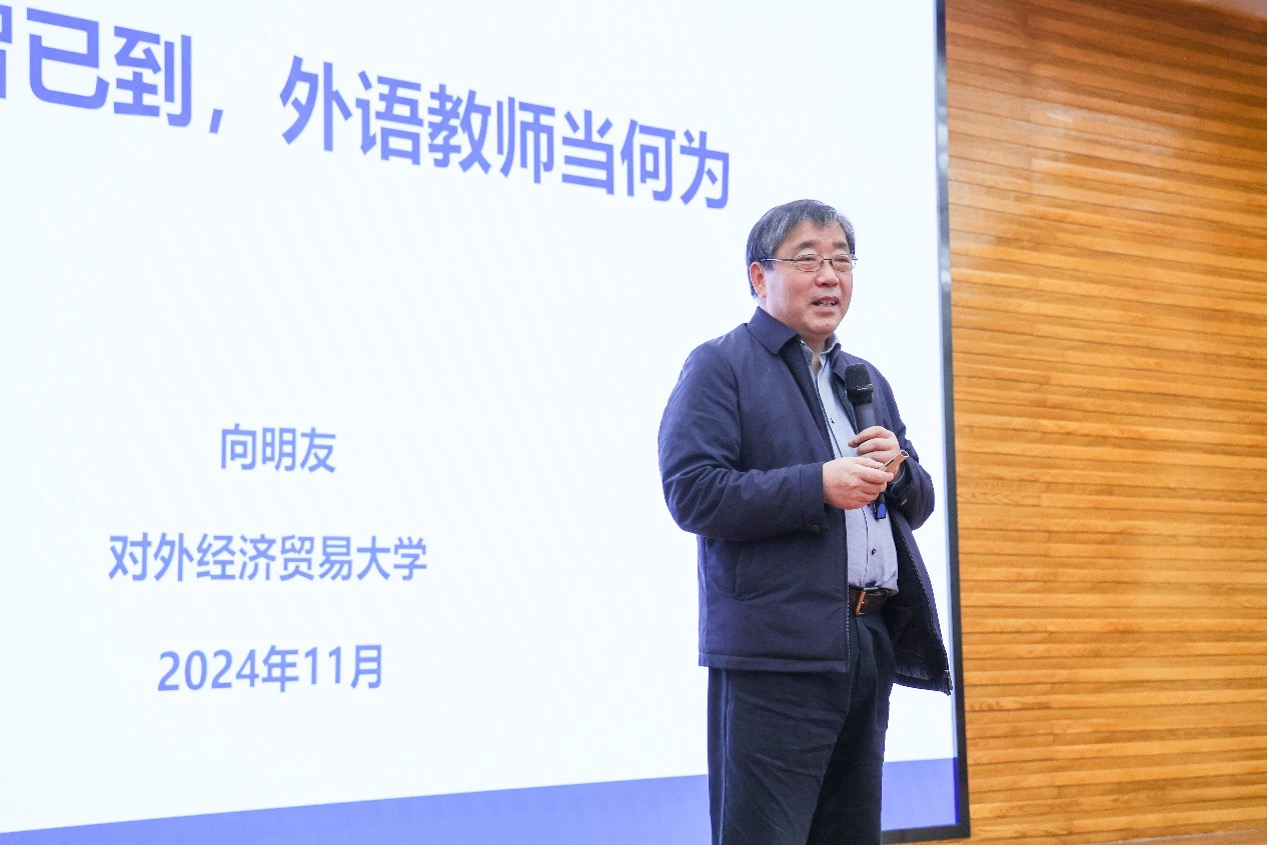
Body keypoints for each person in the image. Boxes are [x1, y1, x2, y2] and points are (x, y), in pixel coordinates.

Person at [658, 199, 952, 844]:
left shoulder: (861, 378)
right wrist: (816, 485)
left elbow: (920, 503)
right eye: (808, 260)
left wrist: (900, 472)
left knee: (849, 833)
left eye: (842, 262)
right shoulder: (721, 366)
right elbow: (692, 493)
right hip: (775, 653)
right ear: (758, 276)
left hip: (866, 637)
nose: (829, 277)